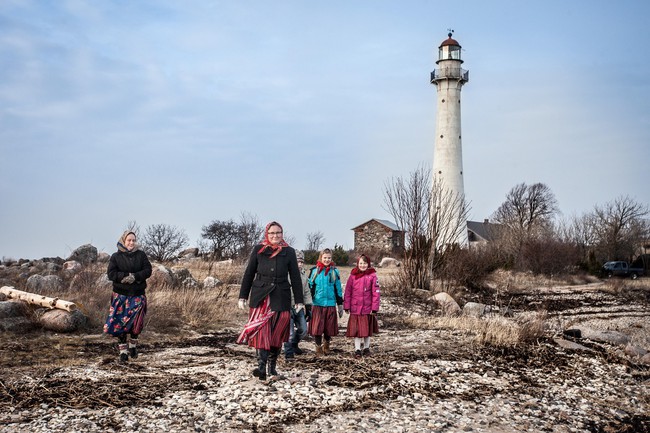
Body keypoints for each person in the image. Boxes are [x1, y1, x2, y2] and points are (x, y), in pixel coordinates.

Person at [237, 221, 304, 380]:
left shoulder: (289, 252)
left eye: (278, 233)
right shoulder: (258, 249)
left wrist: (299, 300)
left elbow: (295, 277)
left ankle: (272, 368)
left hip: (281, 296)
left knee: (277, 333)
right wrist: (243, 296)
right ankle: (261, 369)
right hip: (261, 296)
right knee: (262, 333)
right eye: (272, 233)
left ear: (282, 234)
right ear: (267, 234)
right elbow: (249, 273)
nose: (275, 236)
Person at [104, 230, 153, 363]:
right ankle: (123, 352)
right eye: (128, 240)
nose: (131, 243)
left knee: (136, 324)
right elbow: (111, 274)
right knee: (120, 325)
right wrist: (124, 277)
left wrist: (135, 277)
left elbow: (148, 270)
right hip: (120, 295)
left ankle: (133, 346)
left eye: (133, 240)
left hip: (137, 295)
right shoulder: (115, 256)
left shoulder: (141, 255)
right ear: (123, 241)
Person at [307, 248, 343, 355]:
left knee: (329, 328)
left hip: (330, 303)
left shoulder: (334, 271)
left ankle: (327, 344)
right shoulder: (314, 271)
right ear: (321, 258)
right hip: (317, 303)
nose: (327, 260)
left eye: (329, 258)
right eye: (325, 258)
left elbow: (338, 289)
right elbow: (310, 288)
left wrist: (340, 304)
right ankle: (318, 347)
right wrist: (308, 303)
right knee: (317, 328)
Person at [343, 254, 380, 358]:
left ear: (368, 264)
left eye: (365, 263)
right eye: (361, 263)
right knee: (357, 331)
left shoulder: (372, 276)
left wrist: (374, 308)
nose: (363, 265)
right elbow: (348, 291)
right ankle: (357, 349)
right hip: (355, 308)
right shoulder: (353, 276)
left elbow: (376, 293)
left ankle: (367, 348)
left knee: (367, 330)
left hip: (367, 308)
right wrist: (347, 305)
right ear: (357, 264)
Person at [284, 250, 313, 361]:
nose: (300, 264)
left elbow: (306, 292)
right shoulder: (286, 274)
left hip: (299, 306)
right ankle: (288, 352)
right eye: (297, 262)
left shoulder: (304, 276)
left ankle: (294, 344)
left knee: (303, 329)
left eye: (301, 262)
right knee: (289, 332)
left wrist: (309, 306)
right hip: (287, 306)